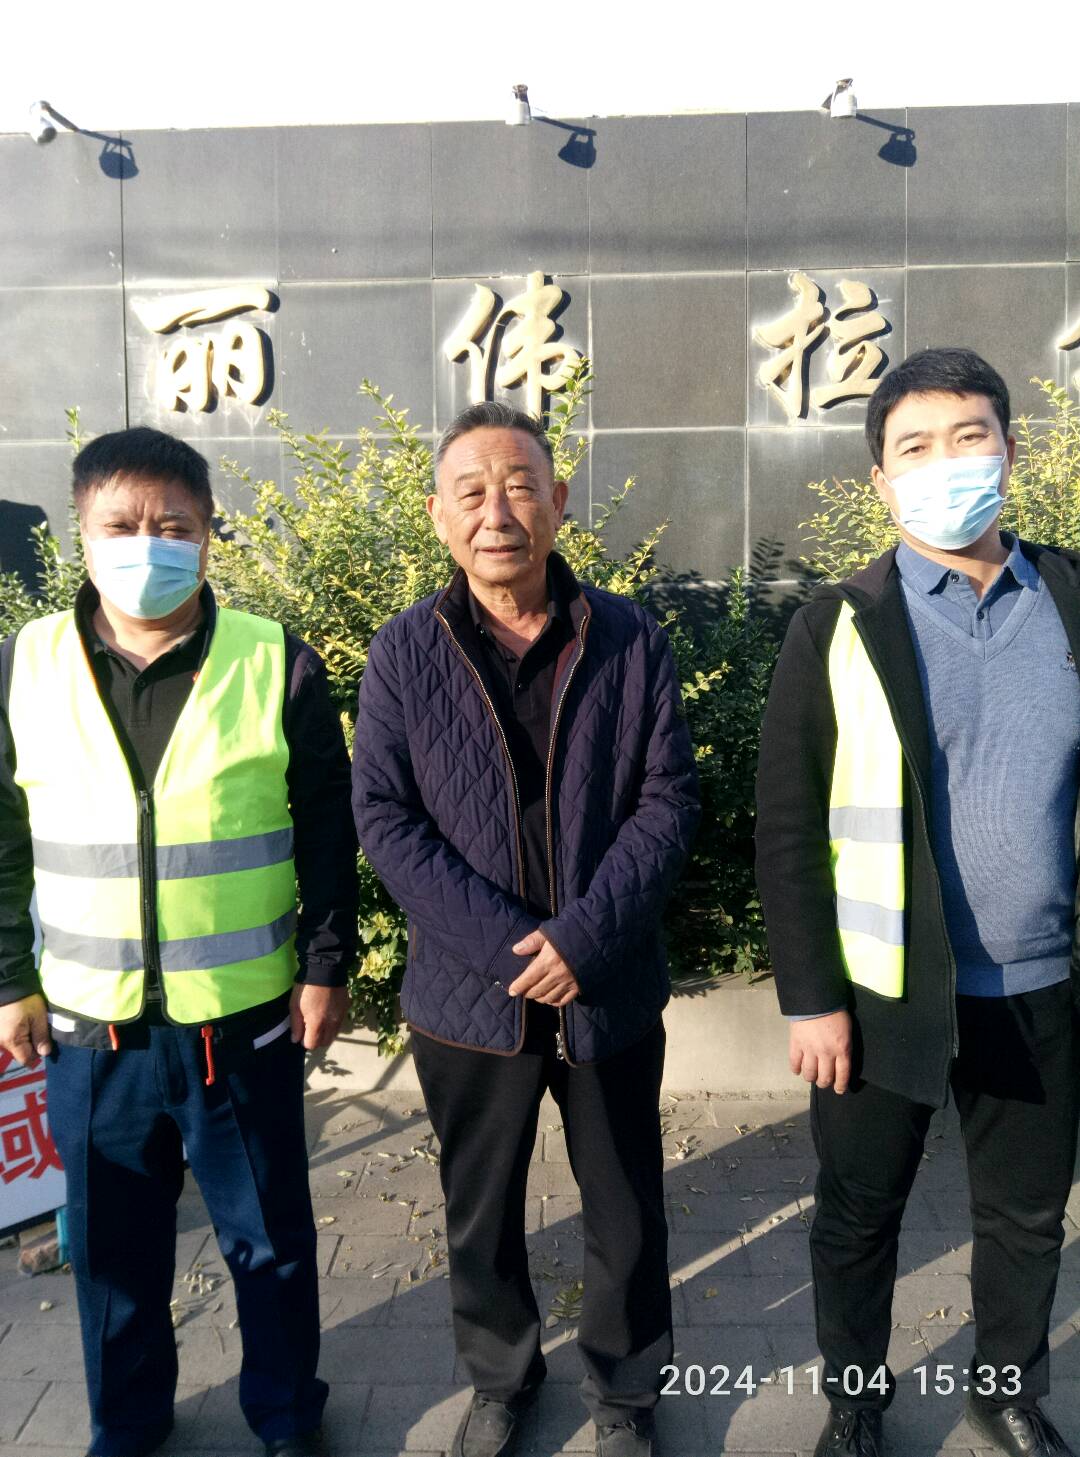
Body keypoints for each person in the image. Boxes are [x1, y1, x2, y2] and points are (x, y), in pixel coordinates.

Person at [0, 427, 359, 1457]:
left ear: (208, 535)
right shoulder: (24, 665)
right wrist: (9, 977)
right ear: (82, 532)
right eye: (120, 524)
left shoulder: (275, 659)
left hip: (238, 1026)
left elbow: (326, 825)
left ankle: (287, 1415)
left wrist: (327, 964)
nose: (146, 544)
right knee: (111, 1249)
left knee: (270, 1241)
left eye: (172, 525)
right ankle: (127, 1421)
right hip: (89, 1032)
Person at [352, 401, 699, 1457]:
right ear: (439, 515)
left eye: (519, 486)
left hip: (607, 984)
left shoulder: (630, 636)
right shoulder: (404, 651)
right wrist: (515, 950)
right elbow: (385, 817)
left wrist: (582, 941)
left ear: (559, 501)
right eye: (471, 491)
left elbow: (668, 800)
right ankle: (502, 1376)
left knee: (625, 1203)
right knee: (481, 1206)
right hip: (471, 995)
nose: (496, 511)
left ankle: (627, 1390)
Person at [756, 348, 1080, 1457]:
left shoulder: (1070, 598)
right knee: (859, 1213)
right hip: (881, 989)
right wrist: (811, 999)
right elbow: (788, 828)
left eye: (969, 436)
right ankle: (855, 1399)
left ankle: (1004, 1389)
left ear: (1011, 449)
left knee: (1027, 1215)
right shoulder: (840, 623)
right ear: (882, 480)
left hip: (1041, 981)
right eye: (916, 447)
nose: (947, 464)